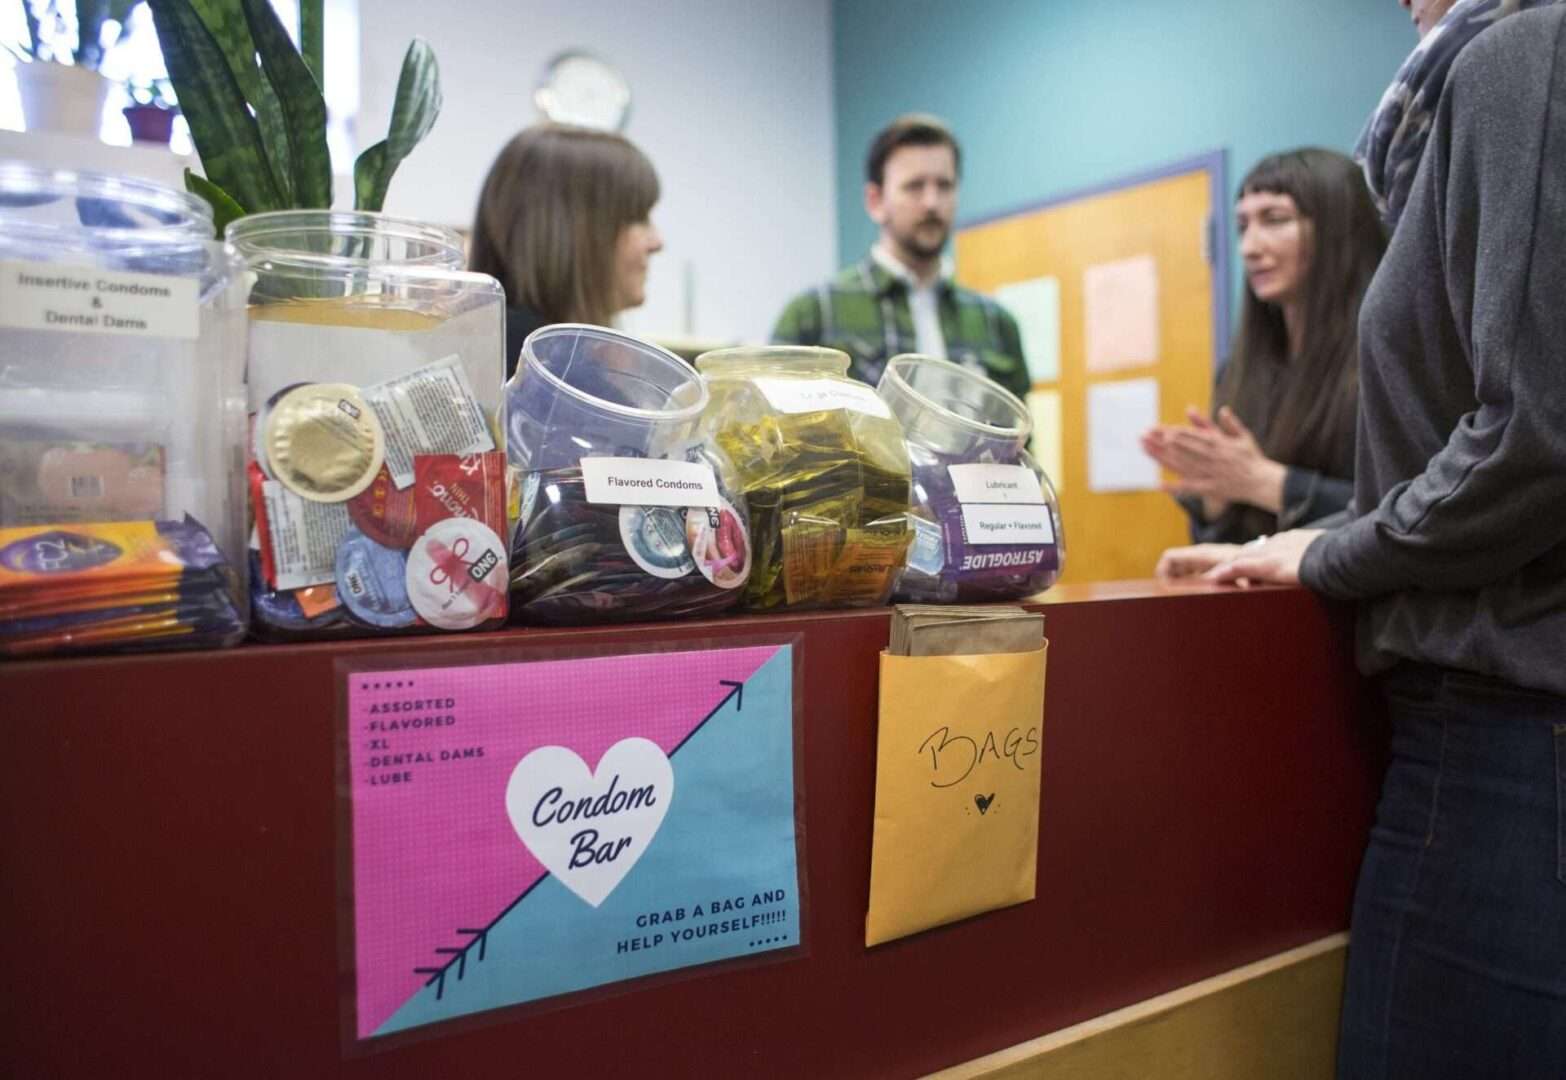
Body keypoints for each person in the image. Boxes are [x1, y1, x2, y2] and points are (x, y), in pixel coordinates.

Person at [1162, 2, 1566, 1075]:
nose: (1254, 240)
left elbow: (1531, 438)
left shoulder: (1525, 55)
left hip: (1508, 730)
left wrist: (1331, 541)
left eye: (1276, 217)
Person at [1142, 149, 1385, 546]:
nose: (1249, 247)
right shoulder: (1237, 373)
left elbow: (1409, 511)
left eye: (1275, 219)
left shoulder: (1383, 361)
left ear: (1338, 228)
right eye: (1242, 226)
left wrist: (1267, 483)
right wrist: (1216, 498)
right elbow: (1221, 542)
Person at [770, 114, 1029, 398]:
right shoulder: (813, 315)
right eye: (914, 186)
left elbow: (1021, 441)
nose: (931, 202)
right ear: (876, 201)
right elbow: (769, 431)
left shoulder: (997, 324)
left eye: (944, 186)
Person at [469, 124, 664, 379]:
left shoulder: (483, 352)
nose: (657, 242)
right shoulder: (557, 379)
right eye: (638, 219)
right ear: (579, 232)